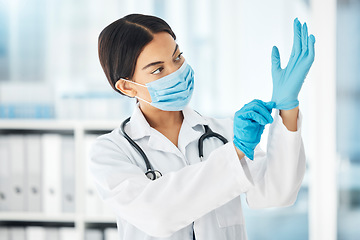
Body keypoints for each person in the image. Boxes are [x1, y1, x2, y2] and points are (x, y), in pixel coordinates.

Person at [90, 13, 315, 240]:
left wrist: (287, 109)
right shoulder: (111, 152)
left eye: (177, 57)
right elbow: (157, 215)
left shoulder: (224, 133)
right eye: (158, 70)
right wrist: (235, 152)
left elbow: (275, 193)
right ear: (127, 87)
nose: (176, 71)